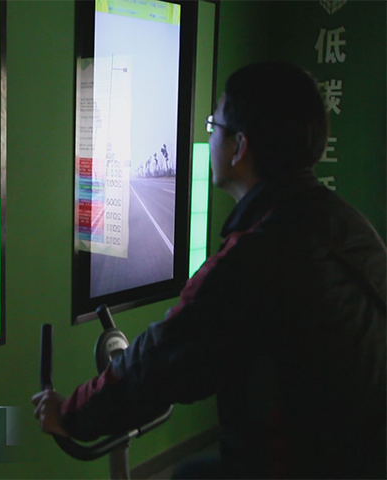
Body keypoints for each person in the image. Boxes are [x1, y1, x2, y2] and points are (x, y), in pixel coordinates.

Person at [32, 62, 387, 479]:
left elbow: (159, 362)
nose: (209, 136)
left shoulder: (254, 257)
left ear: (239, 147)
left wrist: (70, 414)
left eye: (213, 126)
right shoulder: (349, 225)